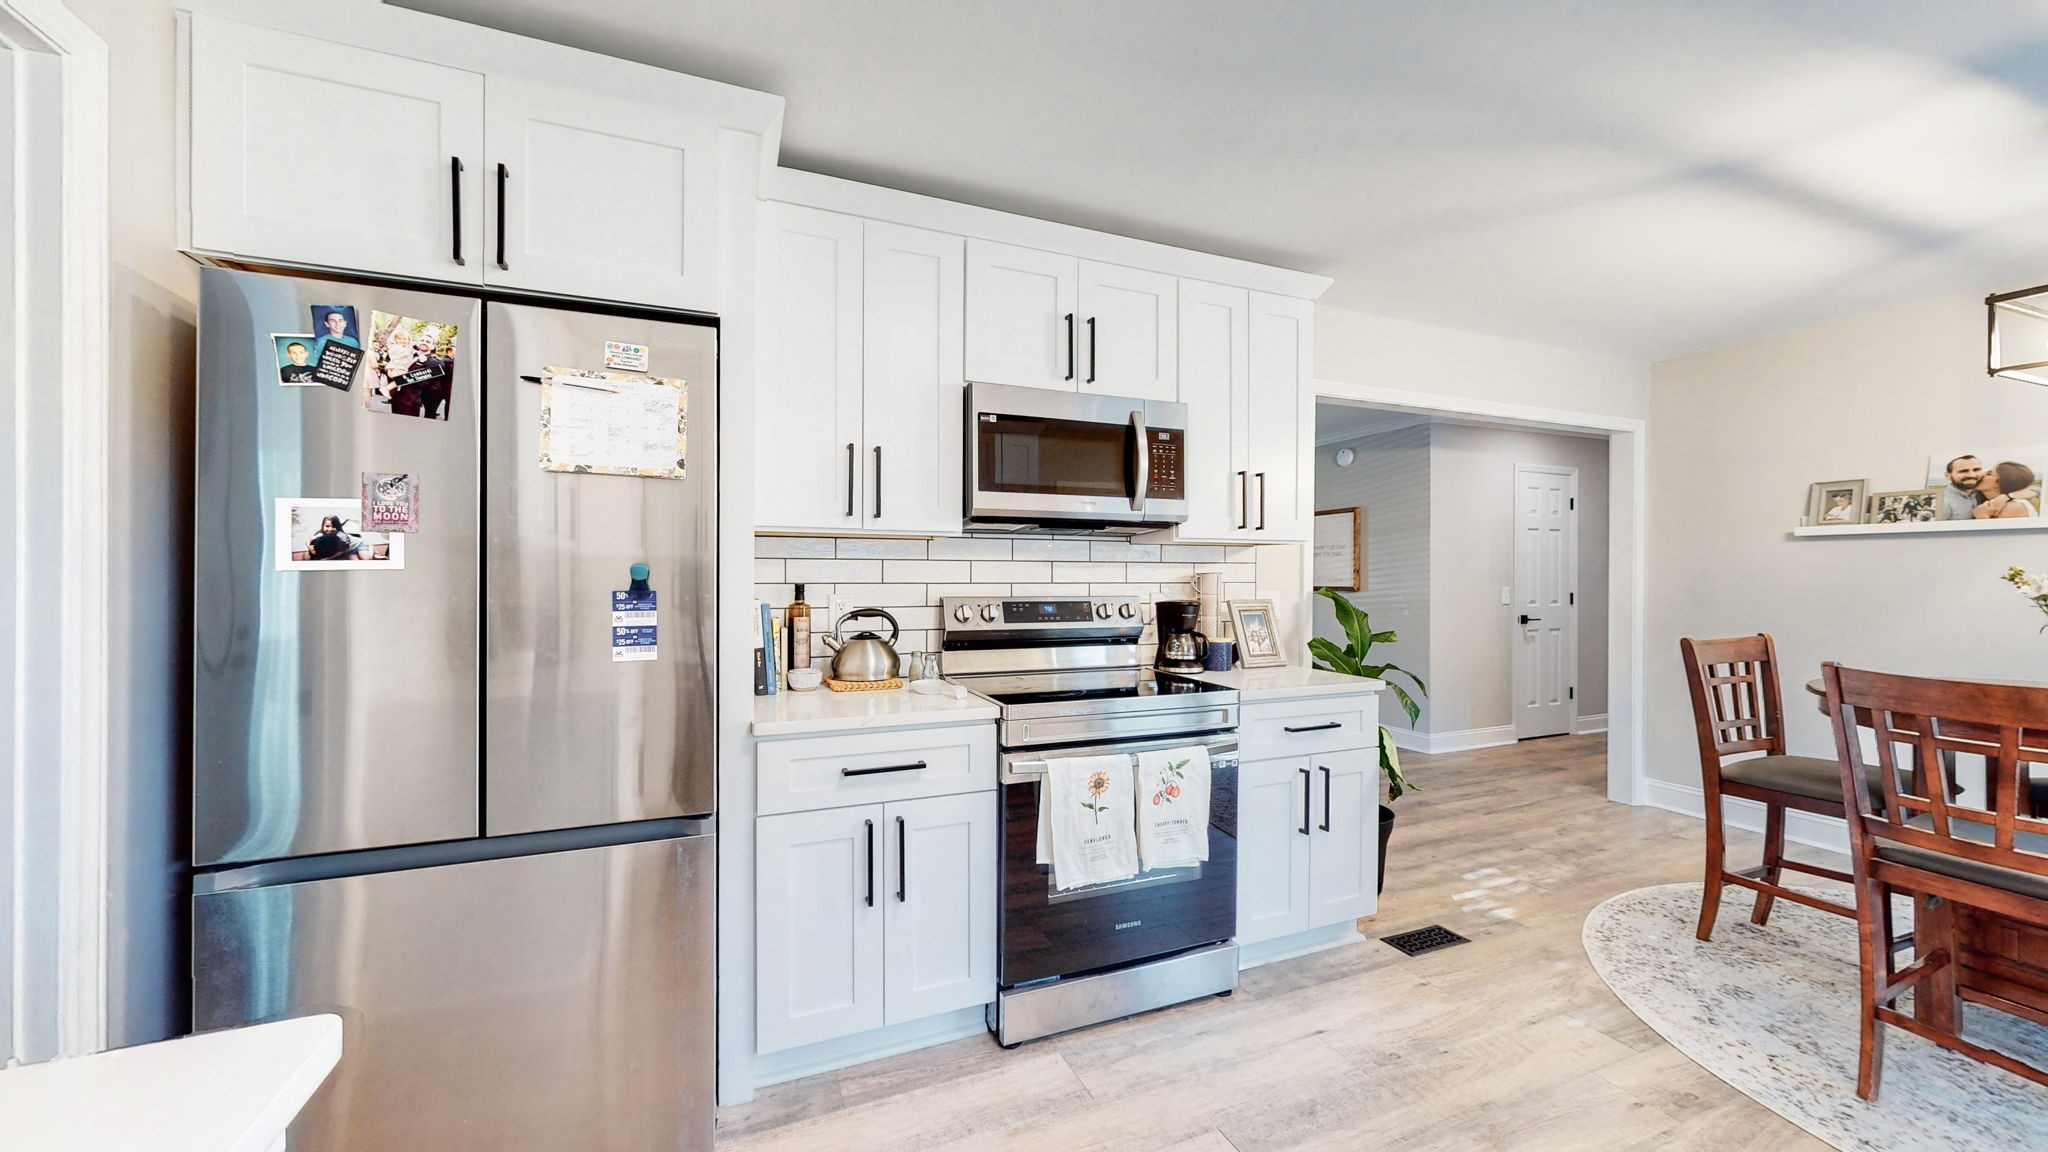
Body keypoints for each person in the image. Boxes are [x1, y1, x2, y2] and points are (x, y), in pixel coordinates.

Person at [1973, 461, 2040, 519]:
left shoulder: (2013, 507)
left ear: (2000, 482)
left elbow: (1999, 533)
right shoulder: (1976, 496)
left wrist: (1982, 516)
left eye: (1989, 474)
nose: (1981, 475)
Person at [1939, 454, 1985, 520]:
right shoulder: (1942, 503)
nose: (1971, 475)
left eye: (1976, 470)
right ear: (1947, 476)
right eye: (1963, 471)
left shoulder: (1985, 493)